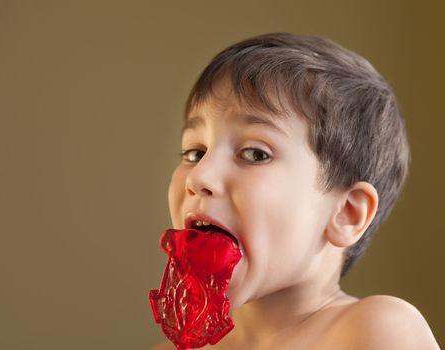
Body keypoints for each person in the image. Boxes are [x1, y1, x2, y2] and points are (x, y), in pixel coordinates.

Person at [153, 33, 440, 349]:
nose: (199, 176)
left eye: (254, 153)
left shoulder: (376, 330)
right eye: (194, 152)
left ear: (346, 213)